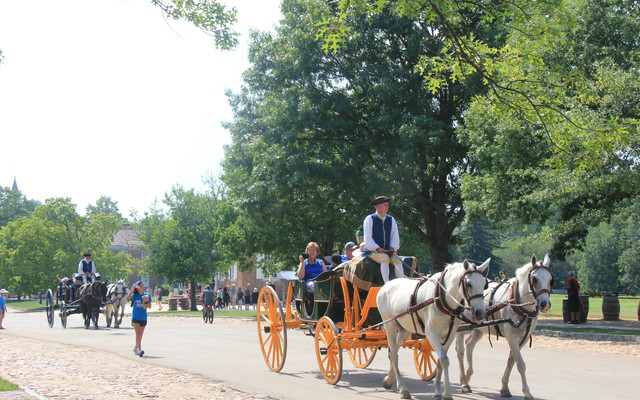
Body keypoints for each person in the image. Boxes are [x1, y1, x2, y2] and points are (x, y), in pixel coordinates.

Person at [362, 196, 405, 283]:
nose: (387, 207)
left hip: (387, 251)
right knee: (384, 258)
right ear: (378, 206)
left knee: (398, 260)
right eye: (385, 205)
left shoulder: (391, 219)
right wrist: (377, 248)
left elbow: (394, 236)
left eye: (388, 205)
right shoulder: (370, 219)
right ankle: (387, 283)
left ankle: (402, 282)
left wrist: (393, 248)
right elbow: (368, 238)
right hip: (372, 251)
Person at [127, 281, 151, 356]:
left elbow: (149, 306)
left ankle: (136, 347)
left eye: (143, 286)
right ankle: (140, 350)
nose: (143, 287)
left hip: (143, 317)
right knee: (137, 333)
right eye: (141, 286)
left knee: (140, 334)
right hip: (136, 317)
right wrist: (132, 289)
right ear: (138, 288)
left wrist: (146, 301)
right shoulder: (135, 295)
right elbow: (129, 296)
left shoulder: (147, 295)